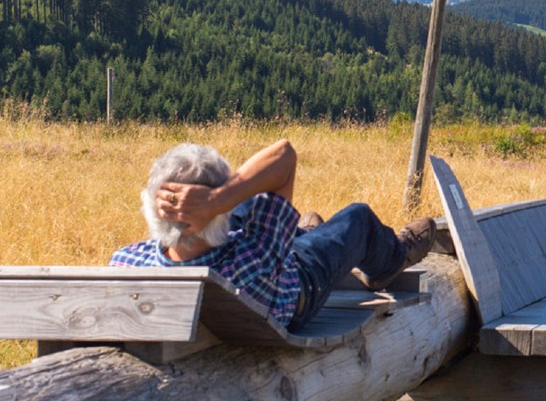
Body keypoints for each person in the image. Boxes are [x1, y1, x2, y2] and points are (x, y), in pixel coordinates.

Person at [110, 138, 435, 332]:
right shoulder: (256, 255)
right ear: (214, 212)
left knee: (253, 198)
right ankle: (392, 258)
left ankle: (303, 231)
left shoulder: (124, 263)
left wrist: (215, 204)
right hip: (299, 279)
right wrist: (219, 198)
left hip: (237, 259)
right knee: (358, 219)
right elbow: (284, 155)